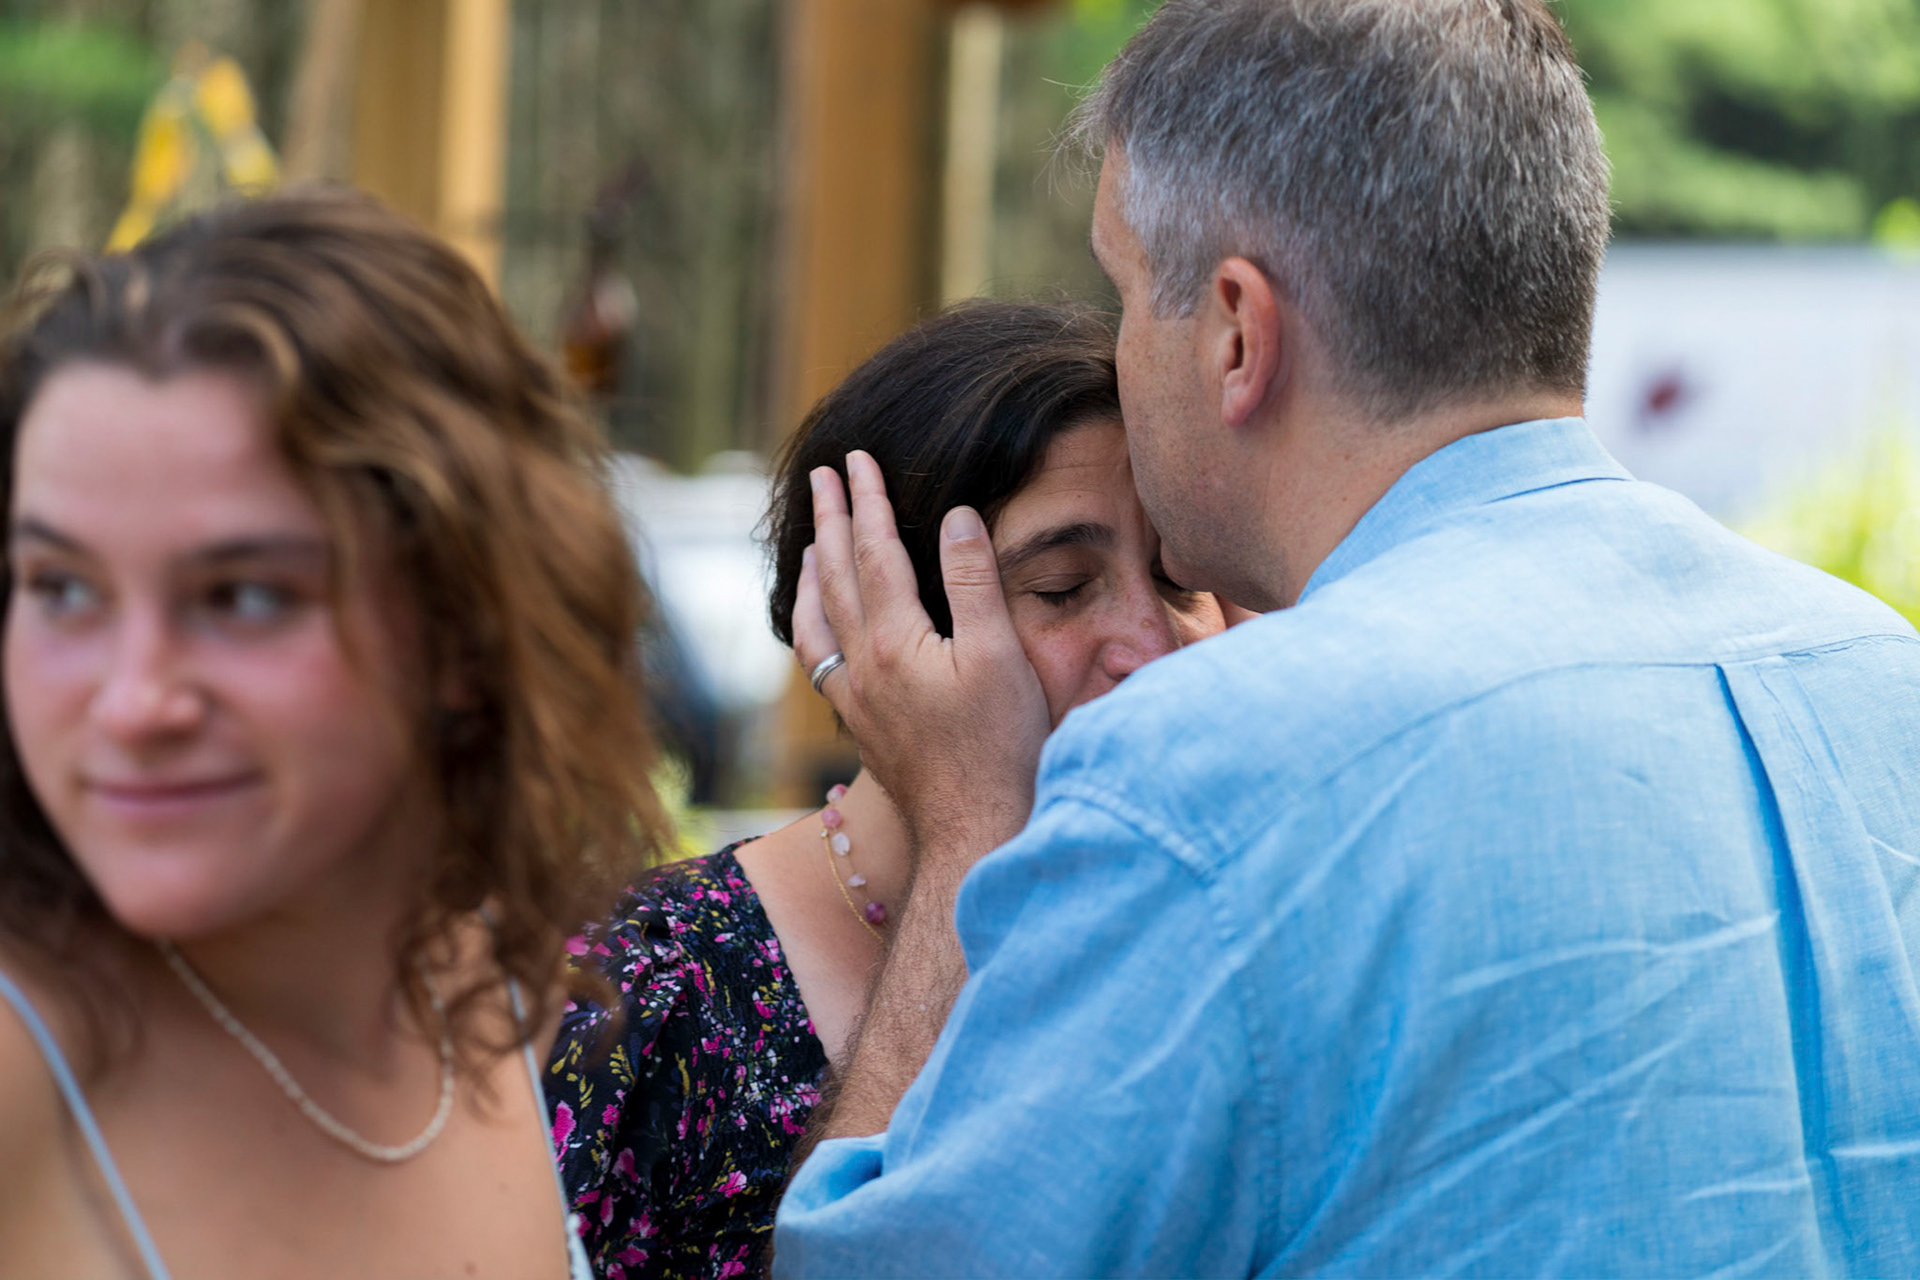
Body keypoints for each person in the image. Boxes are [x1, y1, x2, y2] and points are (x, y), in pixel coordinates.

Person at [773, 1, 1920, 1276]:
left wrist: (969, 826)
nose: (1114, 349)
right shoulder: (1880, 676)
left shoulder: (1208, 770)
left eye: (1121, 289)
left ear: (1236, 333)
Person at [0, 190, 665, 1278]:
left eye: (245, 596)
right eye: (61, 585)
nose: (131, 702)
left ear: (466, 627)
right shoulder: (24, 1062)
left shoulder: (494, 987)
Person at [545, 300, 1228, 1280]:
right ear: (873, 622)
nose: (1157, 644)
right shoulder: (631, 996)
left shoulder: (1228, 940)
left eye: (1177, 575)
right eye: (1064, 586)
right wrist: (967, 824)